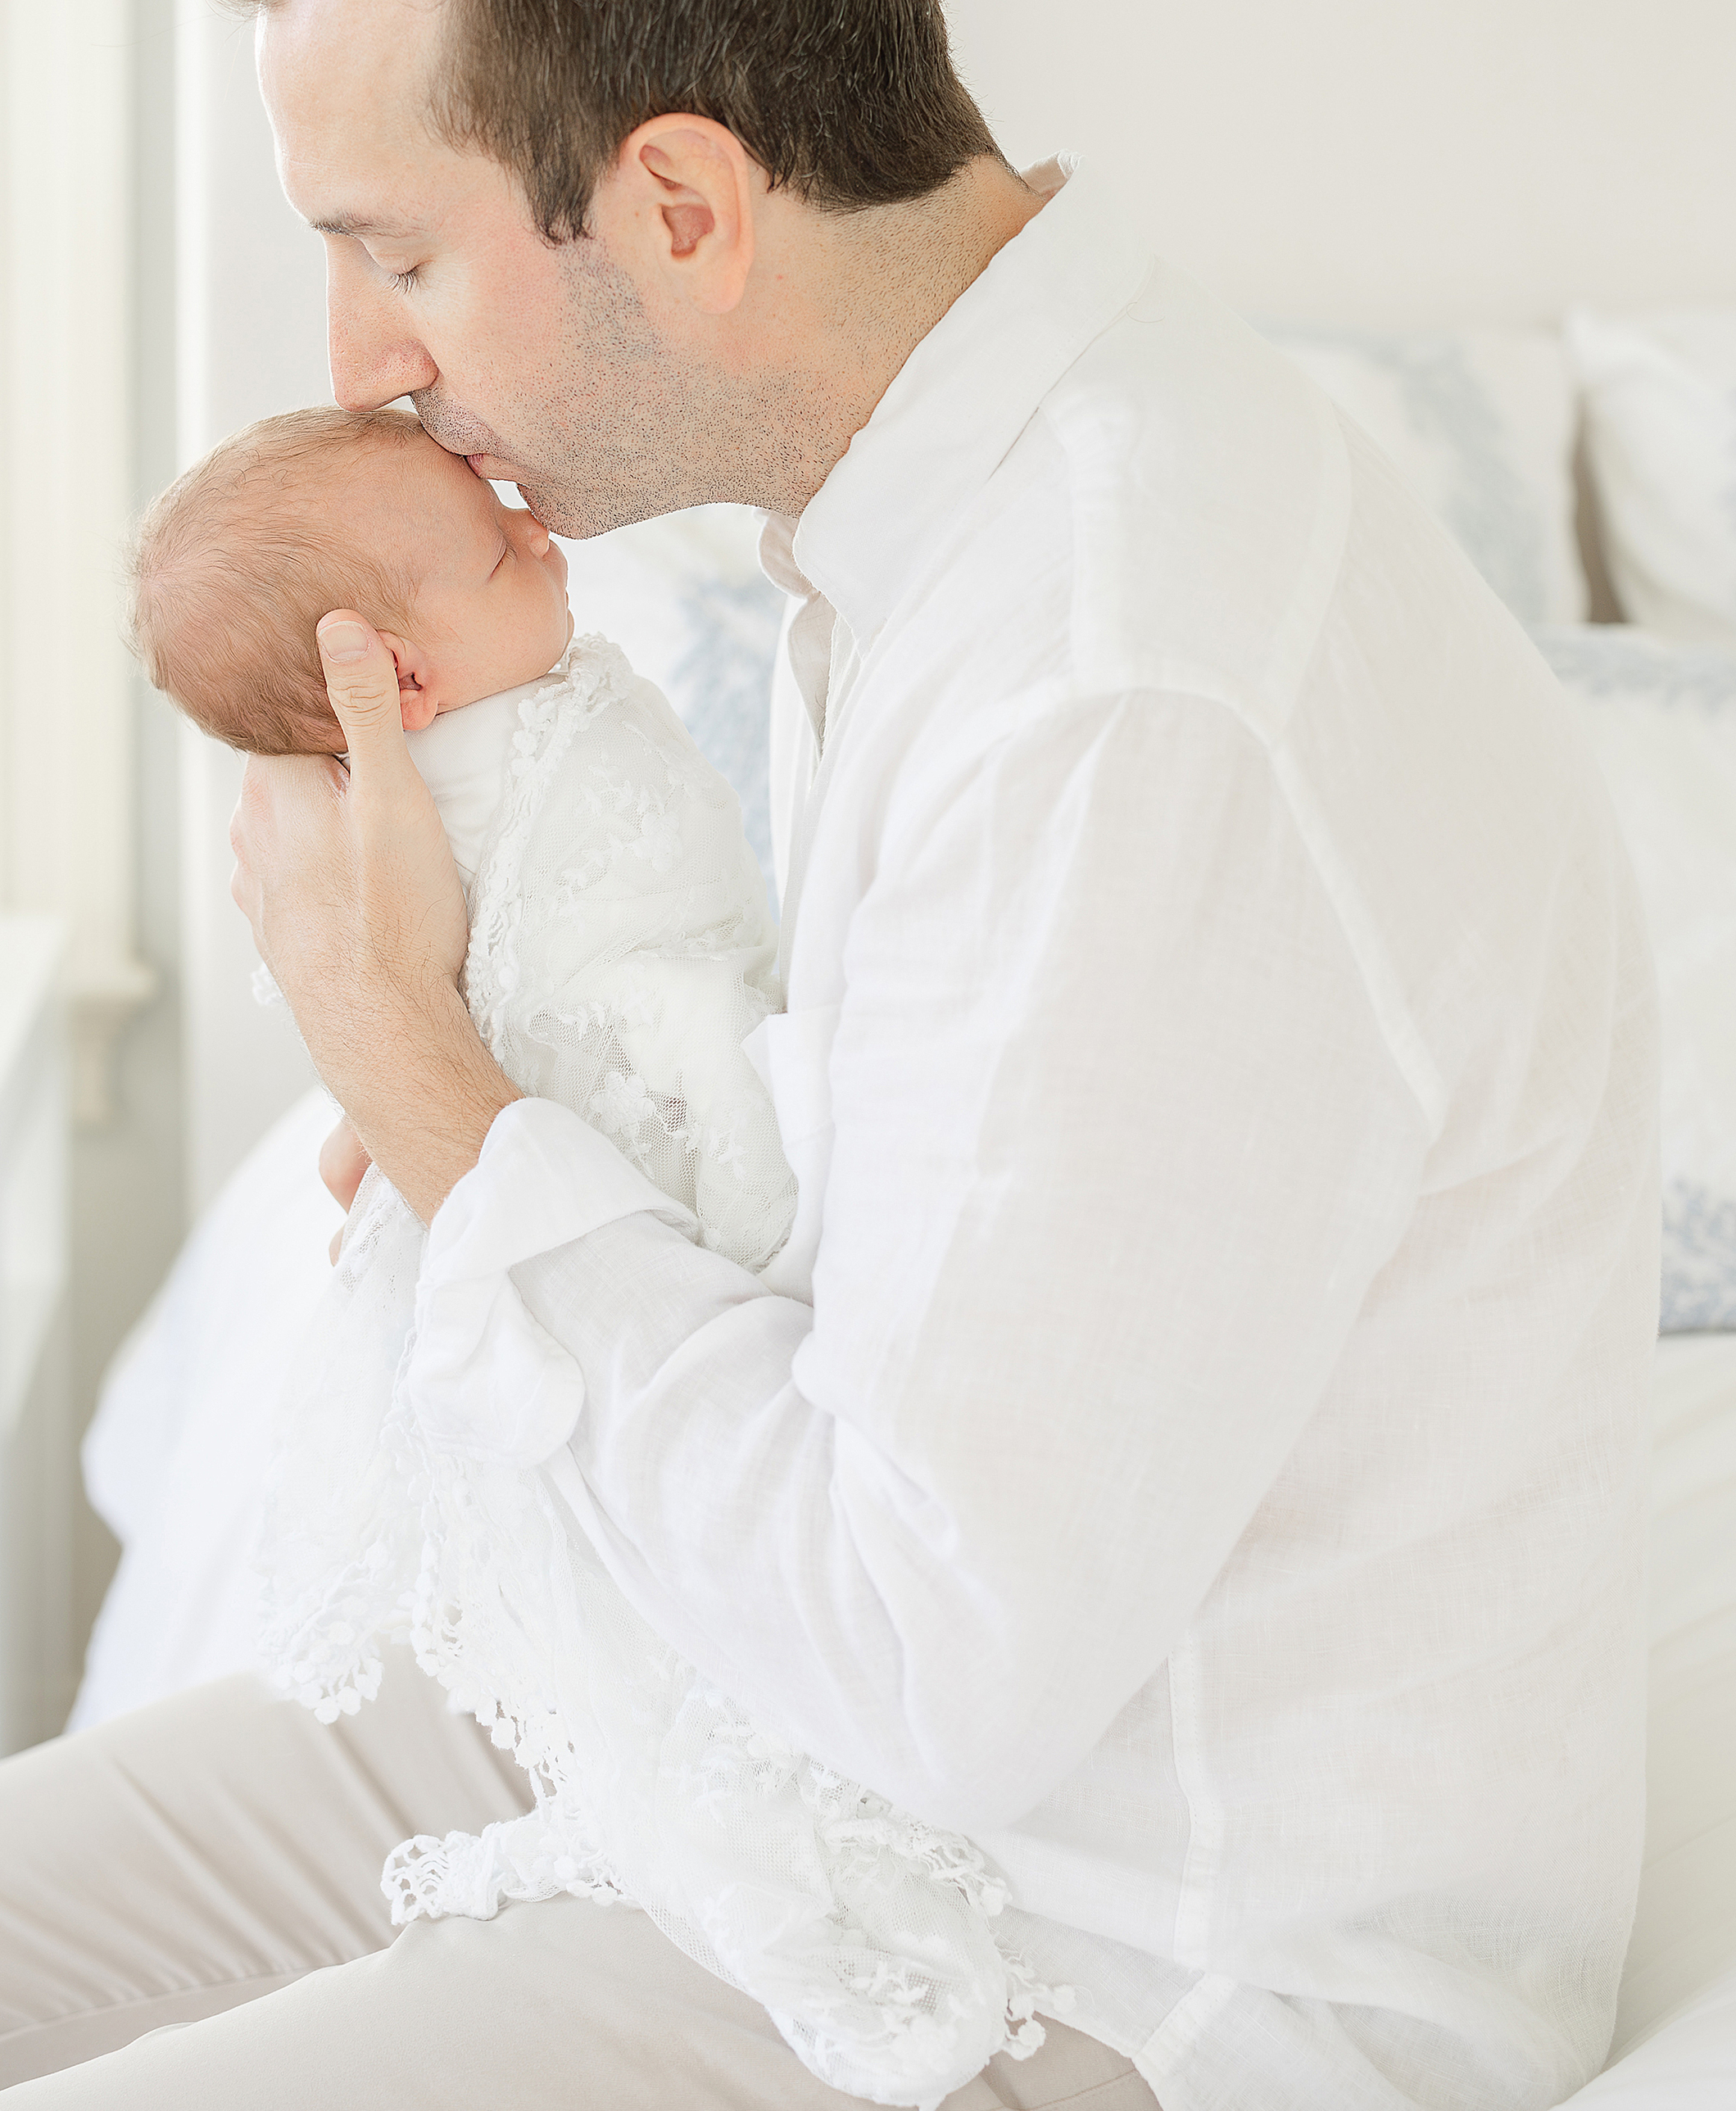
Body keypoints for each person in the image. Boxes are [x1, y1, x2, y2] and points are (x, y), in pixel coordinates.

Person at [0, 0, 1657, 2111]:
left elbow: (921, 1652)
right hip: (742, 1733)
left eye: (392, 253)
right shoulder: (929, 507)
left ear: (673, 205)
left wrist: (432, 1096)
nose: (358, 366)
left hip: (1097, 1958)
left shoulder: (1123, 681)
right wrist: (523, 1127)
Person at [129, 399, 1086, 2105]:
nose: (545, 534)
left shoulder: (542, 700)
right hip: (639, 1101)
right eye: (498, 550)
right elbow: (530, 971)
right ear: (398, 683)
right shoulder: (462, 781)